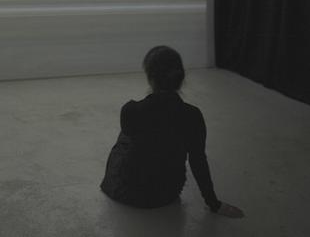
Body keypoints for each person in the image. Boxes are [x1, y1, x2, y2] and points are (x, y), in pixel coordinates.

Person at [100, 46, 244, 218]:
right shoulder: (193, 115)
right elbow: (198, 161)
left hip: (127, 191)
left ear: (150, 78)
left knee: (125, 135)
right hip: (166, 193)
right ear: (180, 78)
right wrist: (214, 203)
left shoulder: (131, 110)